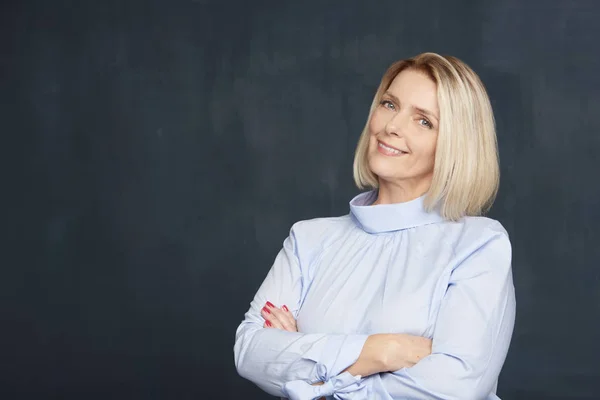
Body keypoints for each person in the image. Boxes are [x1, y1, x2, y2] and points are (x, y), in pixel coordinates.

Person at [233, 52, 516, 400]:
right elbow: (249, 351)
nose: (392, 127)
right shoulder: (308, 239)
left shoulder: (478, 245)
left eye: (424, 121)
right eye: (389, 104)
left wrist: (316, 380)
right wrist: (380, 351)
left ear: (455, 146)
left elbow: (452, 390)